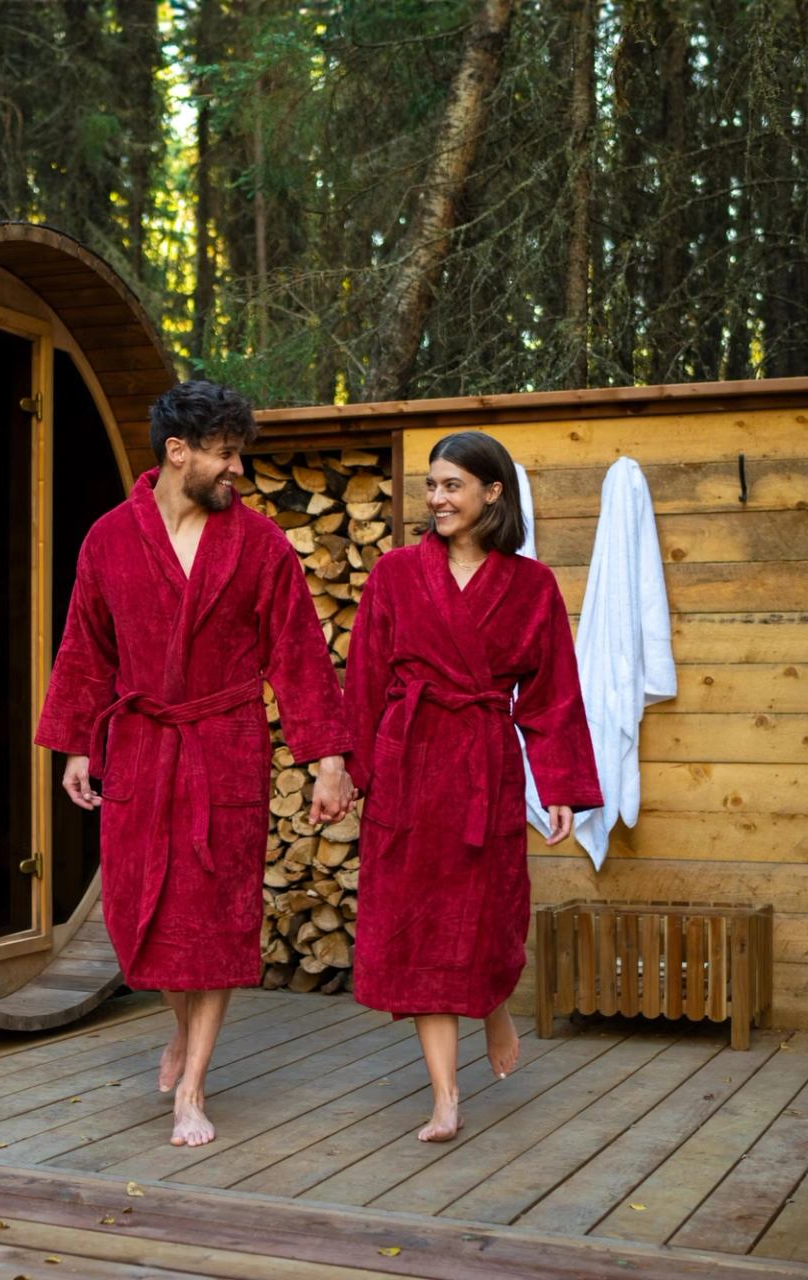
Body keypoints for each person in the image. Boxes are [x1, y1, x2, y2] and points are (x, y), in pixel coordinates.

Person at [35, 380, 355, 1149]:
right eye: (222, 454)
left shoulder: (261, 546)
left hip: (224, 746)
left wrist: (328, 760)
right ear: (177, 453)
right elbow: (87, 646)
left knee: (214, 917)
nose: (235, 469)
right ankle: (179, 1030)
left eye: (237, 453)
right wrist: (78, 744)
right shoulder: (110, 539)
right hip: (144, 746)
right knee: (146, 910)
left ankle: (196, 1086)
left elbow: (301, 656)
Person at [344, 430, 600, 1143]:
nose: (437, 499)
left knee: (486, 911)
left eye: (452, 485)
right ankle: (446, 1097)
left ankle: (492, 1003)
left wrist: (562, 786)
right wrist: (348, 774)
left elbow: (553, 696)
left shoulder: (531, 586)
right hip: (409, 764)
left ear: (493, 492)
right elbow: (364, 681)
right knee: (421, 921)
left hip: (483, 764)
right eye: (431, 486)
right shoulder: (396, 573)